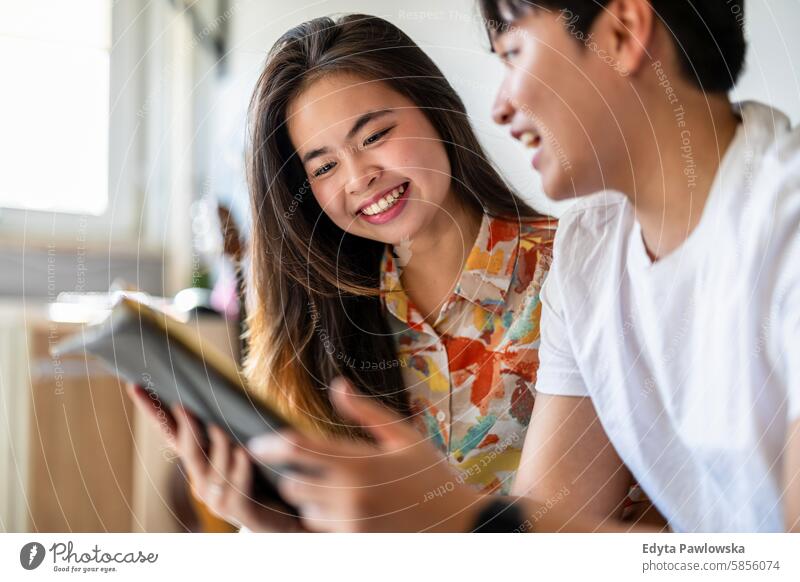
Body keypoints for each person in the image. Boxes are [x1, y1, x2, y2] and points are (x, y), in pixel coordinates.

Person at [244, 0, 800, 533]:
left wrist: (451, 522)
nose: (500, 105)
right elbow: (540, 538)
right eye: (322, 167)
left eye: (512, 53)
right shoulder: (592, 250)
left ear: (624, 32)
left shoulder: (568, 257)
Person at [128, 13, 606, 532]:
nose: (359, 178)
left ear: (435, 108)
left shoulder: (573, 267)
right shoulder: (322, 323)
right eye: (324, 167)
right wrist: (264, 523)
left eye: (375, 135)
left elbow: (557, 538)